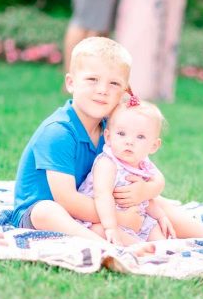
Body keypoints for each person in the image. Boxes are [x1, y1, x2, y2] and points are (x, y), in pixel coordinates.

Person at [11, 36, 165, 244]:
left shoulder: (112, 130)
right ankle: (102, 243)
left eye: (114, 83)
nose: (102, 90)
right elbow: (66, 200)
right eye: (92, 79)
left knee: (146, 201)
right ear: (71, 83)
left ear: (124, 92)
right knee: (46, 211)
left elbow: (148, 172)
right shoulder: (58, 132)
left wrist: (145, 191)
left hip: (94, 207)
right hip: (47, 211)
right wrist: (122, 219)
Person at [76, 96, 203, 245]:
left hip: (137, 217)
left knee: (159, 233)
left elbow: (147, 199)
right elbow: (102, 196)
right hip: (106, 218)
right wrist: (111, 226)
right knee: (99, 231)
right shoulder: (107, 164)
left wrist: (160, 216)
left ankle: (166, 249)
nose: (129, 141)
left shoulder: (141, 164)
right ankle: (140, 248)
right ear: (108, 136)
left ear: (154, 145)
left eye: (140, 137)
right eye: (121, 134)